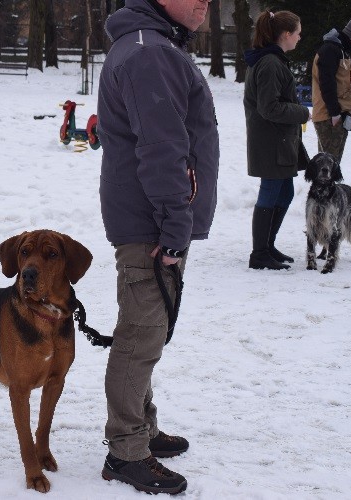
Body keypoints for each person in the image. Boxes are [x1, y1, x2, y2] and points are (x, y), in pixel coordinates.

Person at [96, 0, 219, 495]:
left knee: (147, 331)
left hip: (153, 217)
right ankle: (126, 452)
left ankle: (141, 428)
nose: (203, 3)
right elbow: (162, 148)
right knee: (140, 334)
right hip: (151, 221)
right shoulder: (150, 52)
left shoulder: (153, 45)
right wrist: (172, 228)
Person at [243, 10, 310, 271]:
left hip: (279, 140)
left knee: (285, 191)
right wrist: (302, 112)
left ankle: (267, 246)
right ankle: (259, 254)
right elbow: (268, 107)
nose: (300, 38)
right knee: (271, 192)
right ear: (286, 34)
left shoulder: (273, 60)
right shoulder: (270, 62)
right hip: (271, 142)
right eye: (298, 33)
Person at [311, 13, 351, 164]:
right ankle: (326, 188)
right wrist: (334, 113)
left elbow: (336, 79)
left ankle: (330, 187)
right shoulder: (330, 50)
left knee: (332, 162)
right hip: (330, 116)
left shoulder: (341, 49)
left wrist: (349, 75)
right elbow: (326, 83)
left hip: (338, 114)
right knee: (328, 165)